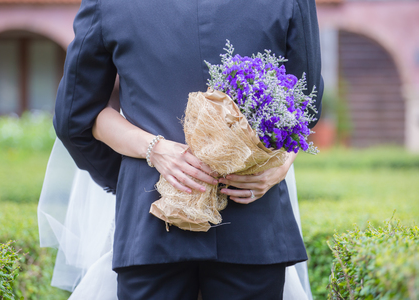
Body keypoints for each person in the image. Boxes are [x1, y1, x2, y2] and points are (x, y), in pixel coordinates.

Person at [49, 0, 323, 298]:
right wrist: (277, 166)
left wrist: (134, 174)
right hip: (253, 221)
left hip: (150, 223)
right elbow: (305, 102)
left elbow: (74, 117)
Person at [38, 139, 313, 300]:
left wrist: (281, 165)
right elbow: (84, 115)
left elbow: (301, 107)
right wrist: (138, 166)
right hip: (152, 216)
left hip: (248, 227)